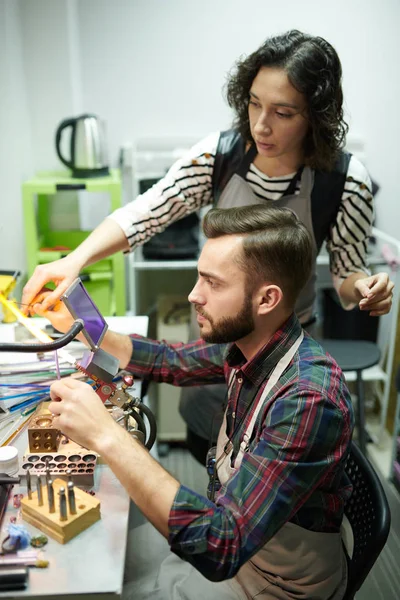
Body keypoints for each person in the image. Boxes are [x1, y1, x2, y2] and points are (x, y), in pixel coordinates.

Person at [22, 29, 394, 464]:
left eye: (283, 112)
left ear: (315, 115)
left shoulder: (344, 181)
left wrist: (366, 288)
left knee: (270, 455)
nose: (261, 125)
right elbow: (147, 212)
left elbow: (347, 272)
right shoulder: (217, 158)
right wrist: (75, 259)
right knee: (211, 438)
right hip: (221, 338)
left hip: (282, 344)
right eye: (254, 103)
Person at [35, 205, 353, 600]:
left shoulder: (307, 401)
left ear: (267, 299)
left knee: (92, 584)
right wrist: (86, 329)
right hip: (244, 549)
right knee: (95, 565)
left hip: (274, 583)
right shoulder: (252, 344)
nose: (193, 295)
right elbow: (172, 360)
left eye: (212, 283)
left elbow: (222, 545)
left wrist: (105, 436)